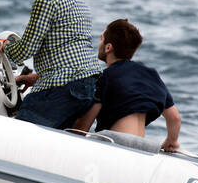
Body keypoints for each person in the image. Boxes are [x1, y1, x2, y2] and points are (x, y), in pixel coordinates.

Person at [0, 0, 104, 129]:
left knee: (17, 134)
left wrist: (0, 46)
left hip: (65, 88)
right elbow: (68, 51)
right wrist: (37, 77)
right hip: (88, 87)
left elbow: (24, 50)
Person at [75, 18, 181, 152]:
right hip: (145, 147)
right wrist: (172, 141)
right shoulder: (151, 75)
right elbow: (175, 118)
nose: (99, 43)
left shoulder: (105, 77)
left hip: (115, 142)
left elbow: (84, 125)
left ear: (108, 47)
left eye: (101, 39)